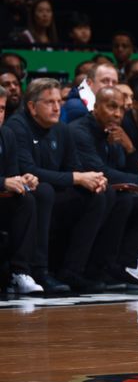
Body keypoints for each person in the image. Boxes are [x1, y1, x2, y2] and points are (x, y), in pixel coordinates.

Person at [7, 78, 109, 292]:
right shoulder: (17, 126)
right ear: (32, 107)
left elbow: (74, 168)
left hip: (55, 196)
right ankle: (38, 271)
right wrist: (77, 178)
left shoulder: (61, 130)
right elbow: (29, 170)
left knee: (99, 196)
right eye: (49, 102)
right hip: (25, 196)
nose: (56, 107)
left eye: (59, 101)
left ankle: (74, 270)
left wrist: (93, 180)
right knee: (43, 191)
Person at [69, 87, 138, 289]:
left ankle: (123, 266)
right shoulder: (79, 131)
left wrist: (130, 148)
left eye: (121, 109)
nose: (117, 114)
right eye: (111, 107)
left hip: (105, 192)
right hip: (79, 193)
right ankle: (94, 268)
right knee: (122, 198)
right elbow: (102, 172)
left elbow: (130, 172)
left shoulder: (114, 133)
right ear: (96, 107)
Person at [0, 86, 42, 294]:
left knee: (27, 199)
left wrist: (24, 180)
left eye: (1, 109)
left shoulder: (6, 133)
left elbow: (12, 173)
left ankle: (20, 272)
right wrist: (3, 182)